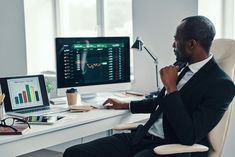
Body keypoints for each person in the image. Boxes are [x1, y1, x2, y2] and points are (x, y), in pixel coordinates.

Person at [63, 16, 235, 157]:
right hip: (142, 138)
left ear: (192, 44)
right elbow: (160, 103)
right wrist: (126, 104)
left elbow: (189, 135)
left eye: (176, 40)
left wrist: (171, 87)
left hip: (172, 148)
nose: (173, 45)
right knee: (75, 153)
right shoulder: (183, 65)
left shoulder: (222, 85)